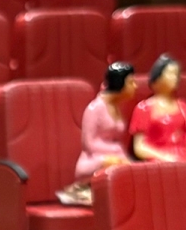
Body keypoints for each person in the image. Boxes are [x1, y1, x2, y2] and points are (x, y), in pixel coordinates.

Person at [57, 61, 136, 206]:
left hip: (117, 157)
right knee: (115, 164)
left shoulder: (116, 108)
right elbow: (89, 144)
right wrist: (114, 152)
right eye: (131, 82)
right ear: (119, 83)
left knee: (132, 169)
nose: (135, 86)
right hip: (94, 159)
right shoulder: (94, 109)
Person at [129, 54, 186, 173]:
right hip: (159, 157)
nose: (175, 78)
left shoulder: (183, 106)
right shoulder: (144, 108)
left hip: (185, 155)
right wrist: (163, 156)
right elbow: (139, 146)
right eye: (170, 73)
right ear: (158, 77)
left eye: (176, 74)